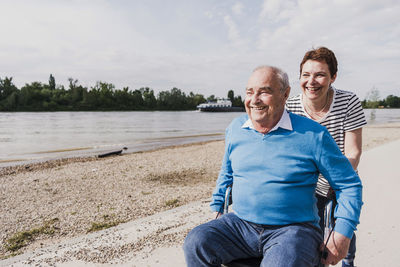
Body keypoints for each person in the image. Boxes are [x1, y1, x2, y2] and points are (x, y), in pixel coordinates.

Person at [183, 66, 363, 267]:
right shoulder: (235, 129)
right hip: (241, 225)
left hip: (294, 229)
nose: (254, 99)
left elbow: (349, 185)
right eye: (250, 92)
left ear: (285, 94)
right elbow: (227, 174)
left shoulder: (314, 135)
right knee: (196, 242)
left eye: (264, 91)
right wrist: (217, 211)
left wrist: (343, 235)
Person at [286, 47, 366, 267]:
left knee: (343, 230)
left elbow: (353, 152)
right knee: (313, 239)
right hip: (307, 184)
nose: (312, 81)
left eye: (320, 74)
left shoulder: (348, 102)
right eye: (306, 75)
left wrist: (336, 182)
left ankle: (348, 260)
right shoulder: (290, 106)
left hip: (342, 178)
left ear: (333, 77)